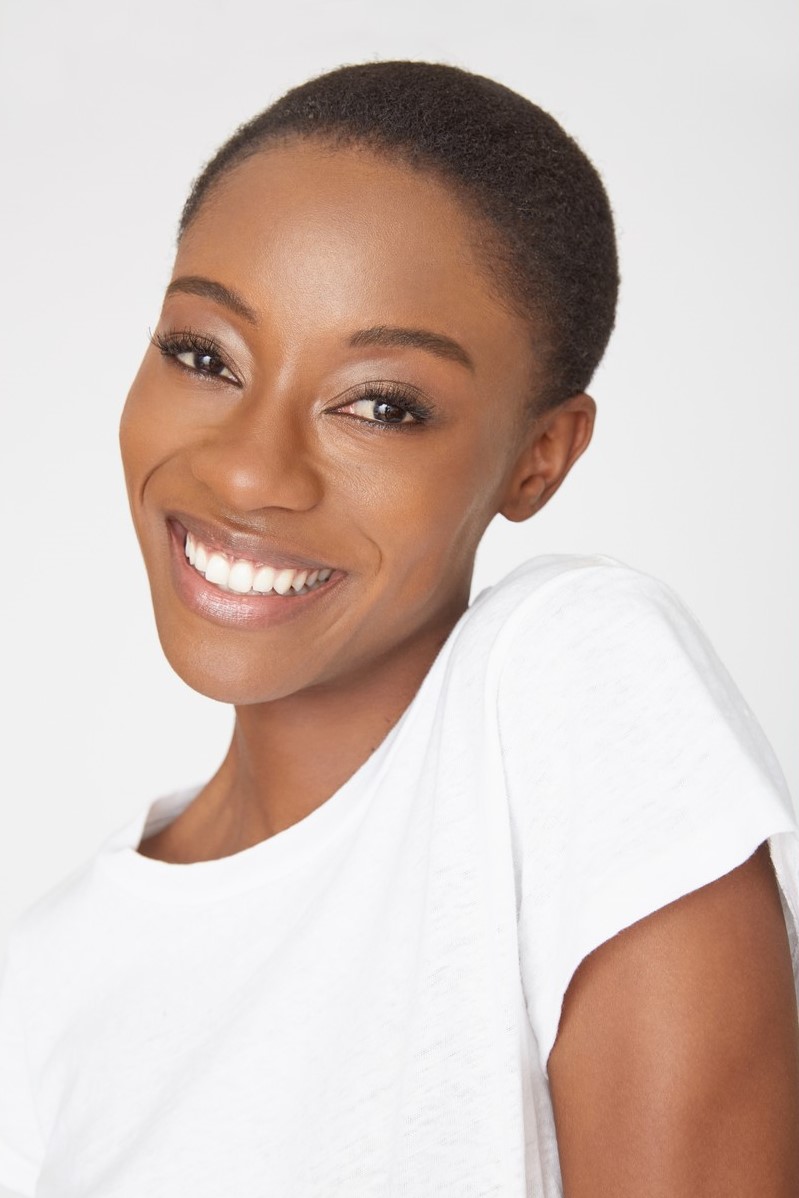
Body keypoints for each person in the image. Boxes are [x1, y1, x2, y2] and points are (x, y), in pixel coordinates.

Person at [0, 59, 797, 1197]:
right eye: (204, 355)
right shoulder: (43, 983)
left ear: (539, 457)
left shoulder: (570, 680)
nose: (249, 471)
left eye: (381, 405)